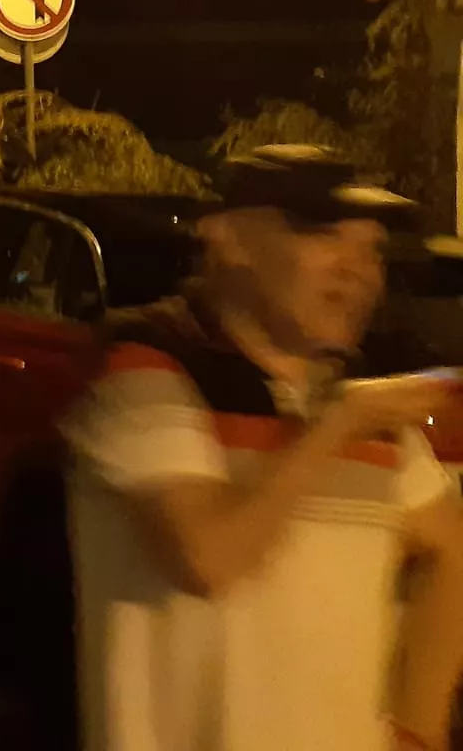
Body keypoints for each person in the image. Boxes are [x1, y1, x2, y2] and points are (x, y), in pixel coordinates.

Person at [64, 146, 463, 751]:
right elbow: (210, 557)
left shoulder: (354, 407)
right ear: (228, 240)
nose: (358, 269)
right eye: (324, 232)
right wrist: (338, 425)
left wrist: (417, 732)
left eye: (373, 249)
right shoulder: (144, 376)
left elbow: (452, 552)